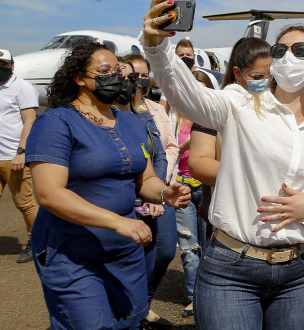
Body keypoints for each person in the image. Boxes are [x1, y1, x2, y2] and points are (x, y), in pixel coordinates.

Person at [142, 0, 304, 330]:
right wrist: (159, 47)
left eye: (300, 51)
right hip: (232, 269)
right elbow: (188, 97)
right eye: (280, 51)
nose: (287, 58)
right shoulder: (238, 102)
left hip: (300, 273)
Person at [25, 39, 190, 329]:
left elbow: (145, 179)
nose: (116, 77)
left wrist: (165, 193)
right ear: (79, 78)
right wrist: (116, 222)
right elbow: (49, 194)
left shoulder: (132, 122)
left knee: (129, 322)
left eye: (118, 70)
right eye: (104, 70)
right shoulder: (55, 122)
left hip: (125, 252)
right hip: (72, 254)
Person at [115, 56, 179, 329]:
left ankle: (141, 306)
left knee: (161, 251)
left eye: (139, 77)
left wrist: (159, 192)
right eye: (130, 76)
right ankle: (132, 311)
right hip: (124, 202)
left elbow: (160, 154)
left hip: (153, 192)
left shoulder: (145, 116)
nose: (135, 82)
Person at [0, 48, 39, 267]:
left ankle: (35, 242)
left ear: (12, 66)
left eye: (4, 64)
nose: (0, 68)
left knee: (24, 204)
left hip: (13, 158)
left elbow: (30, 121)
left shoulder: (23, 88)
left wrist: (21, 152)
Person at [174, 70, 216, 320]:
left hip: (208, 187)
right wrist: (185, 144)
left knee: (211, 245)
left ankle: (209, 293)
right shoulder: (174, 117)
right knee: (189, 247)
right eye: (193, 88)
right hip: (182, 186)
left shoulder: (215, 119)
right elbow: (167, 153)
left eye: (202, 89)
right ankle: (193, 297)